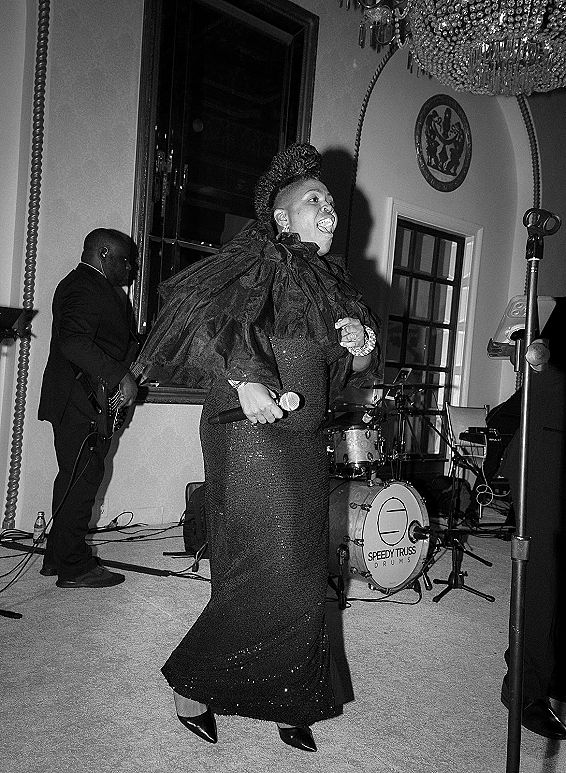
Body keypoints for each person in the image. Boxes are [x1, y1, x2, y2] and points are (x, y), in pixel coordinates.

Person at [137, 143, 380, 751]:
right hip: (246, 432)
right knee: (268, 565)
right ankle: (193, 682)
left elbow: (339, 378)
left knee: (299, 568)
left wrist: (360, 347)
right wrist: (245, 381)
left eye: (329, 200)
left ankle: (287, 692)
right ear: (279, 218)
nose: (328, 209)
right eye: (313, 200)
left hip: (301, 439)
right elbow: (204, 331)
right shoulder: (251, 269)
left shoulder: (334, 288)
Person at [38, 228, 139, 588]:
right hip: (78, 401)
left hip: (80, 400)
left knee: (73, 479)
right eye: (125, 260)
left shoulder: (95, 289)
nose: (131, 268)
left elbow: (106, 341)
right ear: (104, 254)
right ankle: (74, 567)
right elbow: (75, 343)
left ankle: (57, 557)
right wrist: (120, 376)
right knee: (82, 480)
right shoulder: (84, 286)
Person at [500, 293, 566, 740]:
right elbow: (541, 358)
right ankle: (526, 693)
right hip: (549, 456)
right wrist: (534, 353)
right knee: (542, 581)